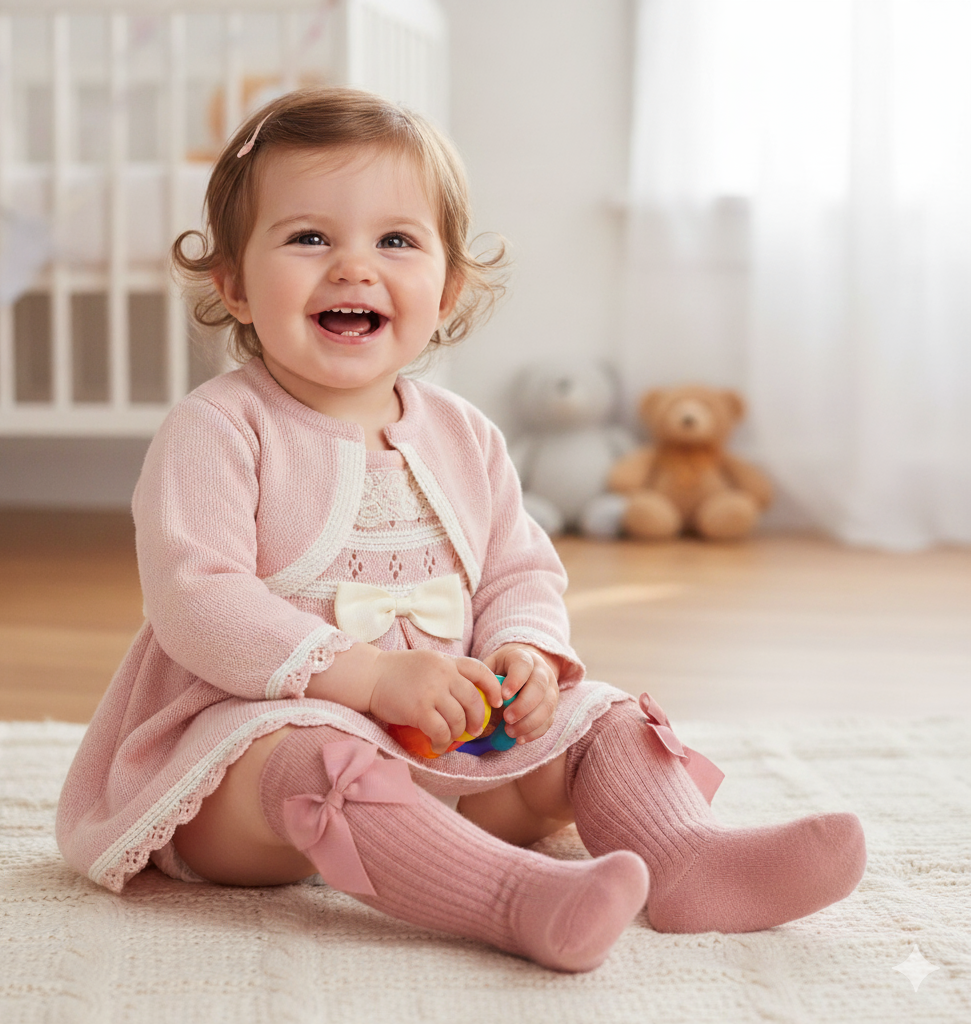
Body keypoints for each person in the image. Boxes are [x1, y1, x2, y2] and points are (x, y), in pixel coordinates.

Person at [56, 88, 866, 973]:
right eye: (309, 238)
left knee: (608, 718)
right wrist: (366, 677)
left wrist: (525, 654)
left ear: (445, 288)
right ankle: (511, 900)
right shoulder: (219, 428)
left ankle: (690, 858)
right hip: (246, 778)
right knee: (316, 759)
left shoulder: (465, 434)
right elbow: (196, 599)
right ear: (235, 286)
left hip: (450, 755)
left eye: (395, 241)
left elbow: (519, 568)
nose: (353, 268)